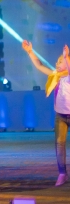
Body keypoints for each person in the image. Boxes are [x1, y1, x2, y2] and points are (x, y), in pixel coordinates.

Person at [22, 41, 70, 186]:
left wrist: (66, 56)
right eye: (57, 61)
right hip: (60, 116)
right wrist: (30, 51)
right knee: (59, 143)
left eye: (60, 61)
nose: (57, 63)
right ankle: (62, 173)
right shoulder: (56, 76)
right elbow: (39, 66)